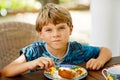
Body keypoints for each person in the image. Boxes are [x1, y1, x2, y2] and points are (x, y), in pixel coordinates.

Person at [1, 3, 112, 77]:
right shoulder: (34, 51)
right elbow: (5, 72)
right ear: (41, 33)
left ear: (70, 29)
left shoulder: (77, 49)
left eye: (61, 28)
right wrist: (31, 63)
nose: (56, 34)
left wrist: (99, 61)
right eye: (49, 30)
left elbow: (105, 50)